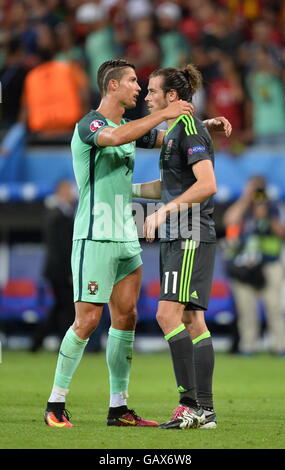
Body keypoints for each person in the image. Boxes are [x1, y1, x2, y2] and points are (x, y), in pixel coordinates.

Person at [44, 58, 195, 428]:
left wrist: (203, 129)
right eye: (131, 81)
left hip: (127, 235)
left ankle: (119, 408)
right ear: (112, 86)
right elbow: (115, 137)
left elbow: (168, 141)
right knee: (87, 320)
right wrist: (164, 114)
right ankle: (55, 403)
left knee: (126, 317)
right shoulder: (91, 124)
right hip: (95, 236)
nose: (139, 88)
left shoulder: (131, 127)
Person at [133, 65, 231, 429]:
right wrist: (125, 192)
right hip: (182, 232)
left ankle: (189, 405)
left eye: (153, 91)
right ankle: (204, 410)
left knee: (165, 316)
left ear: (172, 97)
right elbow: (171, 185)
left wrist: (162, 214)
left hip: (188, 232)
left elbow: (207, 184)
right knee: (192, 319)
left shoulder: (188, 129)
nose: (147, 97)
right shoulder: (181, 129)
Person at [223, 176, 285, 355]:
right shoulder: (243, 207)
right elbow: (229, 221)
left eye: (259, 189)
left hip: (270, 264)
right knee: (246, 310)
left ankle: (281, 345)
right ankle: (248, 347)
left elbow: (283, 232)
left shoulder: (276, 207)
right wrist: (245, 199)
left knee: (275, 307)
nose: (256, 193)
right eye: (253, 189)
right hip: (245, 265)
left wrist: (266, 214)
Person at [30, 180, 76, 352]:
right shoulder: (57, 215)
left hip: (56, 270)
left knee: (60, 306)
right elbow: (62, 248)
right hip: (60, 271)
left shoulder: (60, 214)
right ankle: (64, 345)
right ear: (62, 192)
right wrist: (69, 272)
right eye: (70, 190)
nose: (73, 194)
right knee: (66, 308)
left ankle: (37, 341)